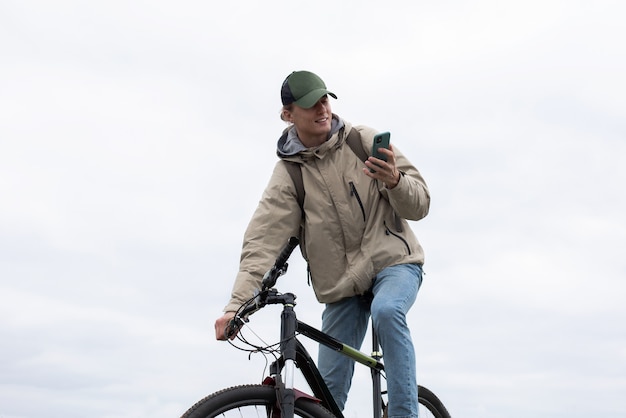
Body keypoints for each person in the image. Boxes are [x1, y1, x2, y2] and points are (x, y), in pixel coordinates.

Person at [214, 70, 430, 418]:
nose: (321, 109)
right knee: (325, 404)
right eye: (309, 104)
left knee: (387, 311)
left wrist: (395, 181)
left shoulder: (363, 141)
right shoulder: (290, 174)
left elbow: (420, 204)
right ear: (288, 114)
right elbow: (262, 240)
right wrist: (236, 305)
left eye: (324, 99)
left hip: (395, 262)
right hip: (343, 287)